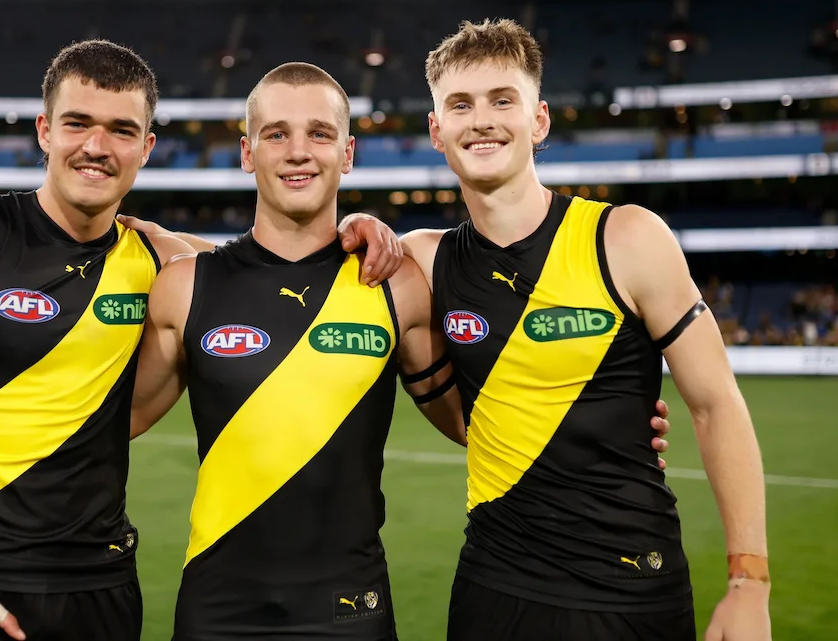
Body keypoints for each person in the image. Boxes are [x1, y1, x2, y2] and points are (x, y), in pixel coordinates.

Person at [0, 40, 398, 641]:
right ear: (44, 131)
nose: (96, 146)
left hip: (103, 587)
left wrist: (355, 227)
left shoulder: (159, 260)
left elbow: (276, 264)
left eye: (121, 130)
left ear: (146, 147)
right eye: (77, 123)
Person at [119, 63, 672, 640]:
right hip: (217, 610)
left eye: (320, 134)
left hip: (352, 610)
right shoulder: (185, 288)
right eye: (276, 134)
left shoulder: (395, 285)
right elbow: (106, 422)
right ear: (246, 152)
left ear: (348, 153)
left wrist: (608, 426)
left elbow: (475, 424)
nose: (298, 151)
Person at [399, 19, 770, 641]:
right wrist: (357, 223)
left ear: (539, 120)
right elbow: (469, 420)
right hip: (495, 585)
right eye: (460, 105)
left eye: (502, 100)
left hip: (633, 587)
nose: (481, 120)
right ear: (437, 131)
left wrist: (749, 582)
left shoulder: (628, 238)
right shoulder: (423, 260)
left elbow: (716, 405)